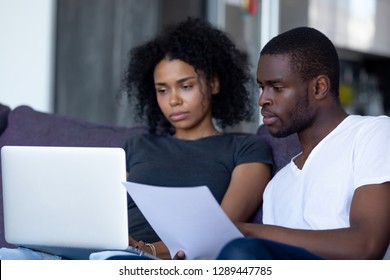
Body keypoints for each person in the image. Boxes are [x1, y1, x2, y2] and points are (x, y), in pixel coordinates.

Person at [0, 18, 273, 260]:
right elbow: (98, 214)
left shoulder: (246, 149)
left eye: (186, 86)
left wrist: (149, 250)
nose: (174, 100)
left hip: (147, 259)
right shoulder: (138, 145)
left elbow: (221, 230)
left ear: (213, 83)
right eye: (162, 90)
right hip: (107, 251)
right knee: (10, 258)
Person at [213, 26, 390, 260]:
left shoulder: (372, 133)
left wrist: (248, 231)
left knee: (242, 251)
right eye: (262, 87)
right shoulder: (278, 185)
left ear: (319, 87)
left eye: (276, 88)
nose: (262, 100)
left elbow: (367, 245)